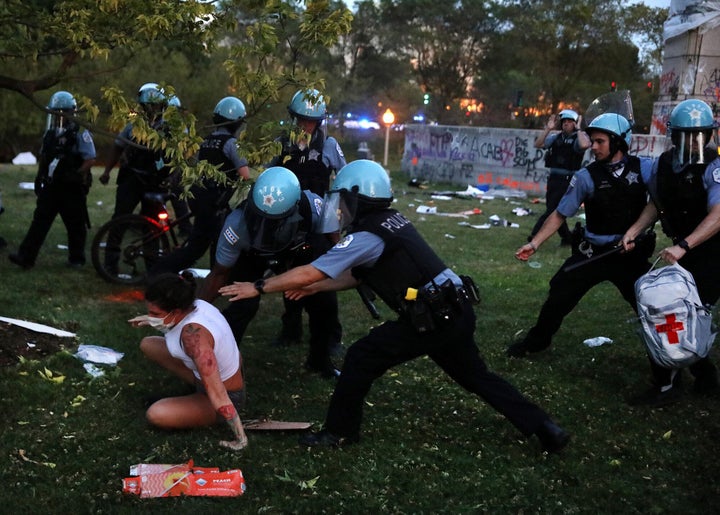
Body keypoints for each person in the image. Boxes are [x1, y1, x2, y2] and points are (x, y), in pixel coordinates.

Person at [217, 159, 570, 453]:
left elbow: (310, 270)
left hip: (432, 317)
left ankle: (338, 433)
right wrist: (316, 288)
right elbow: (356, 276)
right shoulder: (390, 221)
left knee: (360, 357)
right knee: (477, 376)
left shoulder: (366, 235)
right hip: (456, 309)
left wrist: (259, 286)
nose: (339, 207)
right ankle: (544, 427)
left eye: (344, 199)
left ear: (359, 199)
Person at [509, 113, 655, 358]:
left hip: (629, 255)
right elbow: (559, 214)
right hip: (593, 253)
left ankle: (682, 366)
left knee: (654, 304)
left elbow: (660, 202)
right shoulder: (586, 177)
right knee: (559, 293)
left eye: (600, 142)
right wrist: (534, 243)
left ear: (618, 142)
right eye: (592, 141)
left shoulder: (645, 169)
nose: (593, 147)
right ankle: (536, 341)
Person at [198, 166, 341, 378]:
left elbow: (333, 240)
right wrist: (195, 311)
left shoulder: (315, 208)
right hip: (252, 255)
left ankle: (319, 360)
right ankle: (222, 365)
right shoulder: (236, 225)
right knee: (241, 304)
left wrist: (328, 271)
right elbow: (220, 273)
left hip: (299, 248)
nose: (266, 226)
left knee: (323, 301)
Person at [622, 98, 719, 407]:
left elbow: (718, 215)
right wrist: (634, 230)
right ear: (675, 135)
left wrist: (684, 246)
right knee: (674, 314)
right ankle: (690, 377)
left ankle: (678, 381)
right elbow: (657, 203)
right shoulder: (664, 164)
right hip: (681, 248)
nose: (695, 142)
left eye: (700, 135)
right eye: (688, 135)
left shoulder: (715, 167)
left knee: (689, 314)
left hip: (710, 252)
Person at [129, 271, 248, 450]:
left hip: (225, 394)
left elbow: (218, 393)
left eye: (155, 313)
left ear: (176, 311)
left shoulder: (193, 338)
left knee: (157, 414)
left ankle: (207, 407)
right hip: (216, 373)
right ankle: (193, 396)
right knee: (149, 344)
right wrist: (151, 319)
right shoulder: (197, 304)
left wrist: (240, 439)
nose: (152, 315)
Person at [268, 89, 346, 348]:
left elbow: (343, 180)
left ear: (320, 121)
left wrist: (335, 222)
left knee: (320, 276)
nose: (304, 124)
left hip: (319, 220)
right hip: (288, 219)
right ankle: (290, 330)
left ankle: (330, 336)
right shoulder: (282, 143)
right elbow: (269, 176)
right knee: (288, 271)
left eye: (310, 120)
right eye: (300, 119)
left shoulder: (329, 145)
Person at [148, 96, 251, 277]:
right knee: (197, 247)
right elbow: (246, 176)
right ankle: (159, 272)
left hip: (201, 198)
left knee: (214, 241)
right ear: (236, 122)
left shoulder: (207, 140)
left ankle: (216, 279)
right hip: (215, 202)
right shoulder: (231, 144)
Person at [9, 91, 96, 269]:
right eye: (55, 113)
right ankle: (25, 257)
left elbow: (90, 159)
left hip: (71, 188)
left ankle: (76, 259)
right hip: (52, 186)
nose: (58, 117)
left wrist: (77, 173)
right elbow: (44, 156)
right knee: (39, 221)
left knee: (76, 225)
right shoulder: (50, 133)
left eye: (61, 112)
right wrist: (39, 176)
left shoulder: (80, 134)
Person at [529, 109, 591, 245]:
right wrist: (548, 129)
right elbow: (538, 144)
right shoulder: (556, 138)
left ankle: (534, 235)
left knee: (552, 209)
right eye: (564, 122)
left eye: (570, 122)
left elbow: (585, 145)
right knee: (557, 209)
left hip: (568, 179)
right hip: (554, 178)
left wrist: (580, 129)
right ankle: (567, 238)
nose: (566, 124)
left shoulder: (577, 138)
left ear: (574, 124)